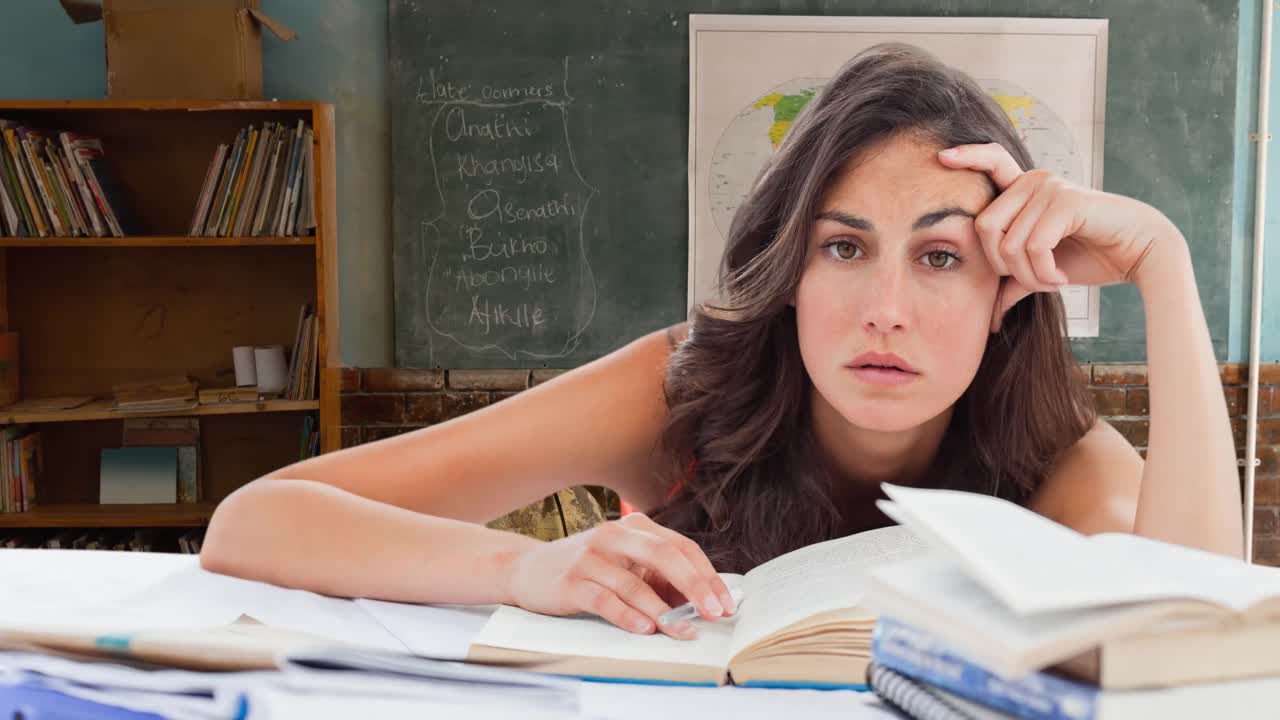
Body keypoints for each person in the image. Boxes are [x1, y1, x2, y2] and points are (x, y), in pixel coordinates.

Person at [201, 44, 1243, 641]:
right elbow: (256, 521)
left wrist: (1162, 258)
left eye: (938, 259)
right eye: (842, 248)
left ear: (1006, 294)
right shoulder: (687, 386)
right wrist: (523, 571)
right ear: (789, 273)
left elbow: (1199, 632)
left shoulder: (1050, 445)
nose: (885, 308)